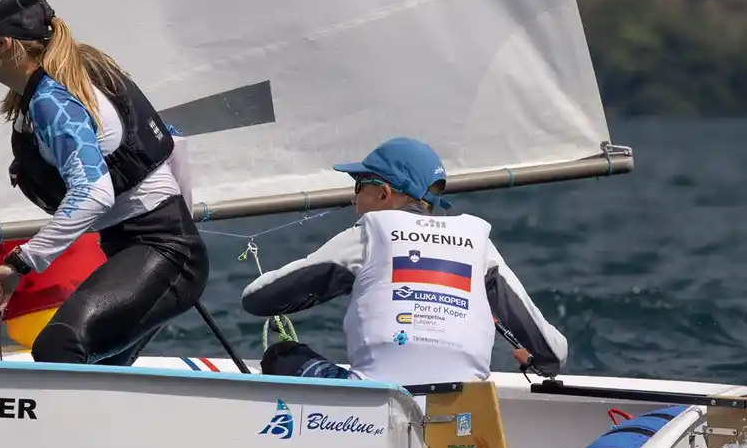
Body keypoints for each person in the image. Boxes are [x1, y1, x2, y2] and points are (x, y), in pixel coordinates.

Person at [0, 0, 208, 365]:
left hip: (161, 251)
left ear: (3, 43)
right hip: (152, 253)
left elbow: (94, 192)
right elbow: (174, 145)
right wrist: (183, 240)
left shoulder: (51, 100)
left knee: (58, 346)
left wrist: (21, 263)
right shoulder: (56, 89)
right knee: (99, 369)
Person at [240, 137, 568, 385]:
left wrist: (337, 283)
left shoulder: (368, 233)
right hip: (465, 415)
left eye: (359, 187)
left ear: (383, 193)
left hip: (375, 408)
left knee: (283, 356)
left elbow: (258, 299)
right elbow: (552, 355)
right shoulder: (479, 243)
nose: (355, 201)